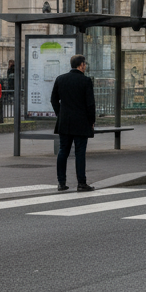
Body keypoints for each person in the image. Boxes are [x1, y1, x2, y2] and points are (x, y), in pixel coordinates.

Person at [50, 54, 97, 192]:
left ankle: (61, 182)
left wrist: (60, 114)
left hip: (65, 122)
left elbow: (53, 100)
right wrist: (91, 121)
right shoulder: (86, 81)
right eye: (85, 64)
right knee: (80, 152)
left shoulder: (60, 79)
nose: (85, 66)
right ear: (81, 65)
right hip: (81, 122)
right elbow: (90, 105)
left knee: (63, 151)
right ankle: (81, 183)